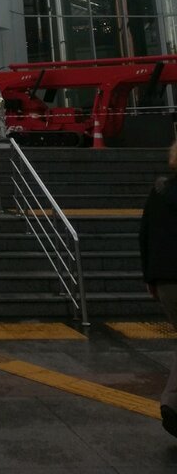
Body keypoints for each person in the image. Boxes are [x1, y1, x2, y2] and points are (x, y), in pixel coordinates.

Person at [139, 141, 177, 438]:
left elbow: (145, 234)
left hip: (165, 281)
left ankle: (173, 403)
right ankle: (172, 403)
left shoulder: (160, 191)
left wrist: (150, 278)